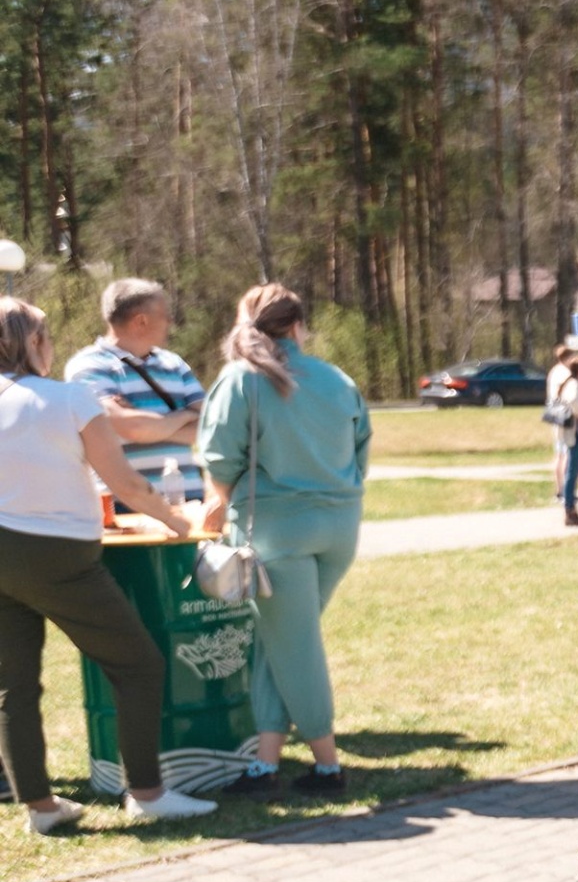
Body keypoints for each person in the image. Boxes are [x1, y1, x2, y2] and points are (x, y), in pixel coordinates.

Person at [0, 298, 217, 829]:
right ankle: (146, 792)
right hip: (60, 557)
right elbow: (126, 484)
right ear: (33, 343)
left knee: (14, 687)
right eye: (46, 337)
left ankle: (41, 807)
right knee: (138, 666)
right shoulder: (70, 398)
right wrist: (181, 524)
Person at [200, 285, 370, 797]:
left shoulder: (240, 380)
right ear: (298, 326)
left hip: (276, 532)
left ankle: (327, 767)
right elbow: (360, 452)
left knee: (295, 647)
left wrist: (215, 504)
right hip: (339, 528)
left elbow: (220, 460)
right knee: (282, 641)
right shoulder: (337, 378)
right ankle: (265, 763)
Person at [64, 279, 207, 504]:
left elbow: (210, 428)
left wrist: (150, 428)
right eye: (165, 315)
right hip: (123, 508)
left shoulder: (174, 363)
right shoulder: (88, 365)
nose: (170, 321)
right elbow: (130, 427)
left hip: (188, 503)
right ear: (141, 321)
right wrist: (187, 416)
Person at [555, 354, 578, 527]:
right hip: (576, 432)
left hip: (576, 431)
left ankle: (570, 507)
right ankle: (570, 509)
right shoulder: (575, 384)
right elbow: (573, 402)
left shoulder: (573, 383)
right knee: (573, 471)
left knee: (574, 469)